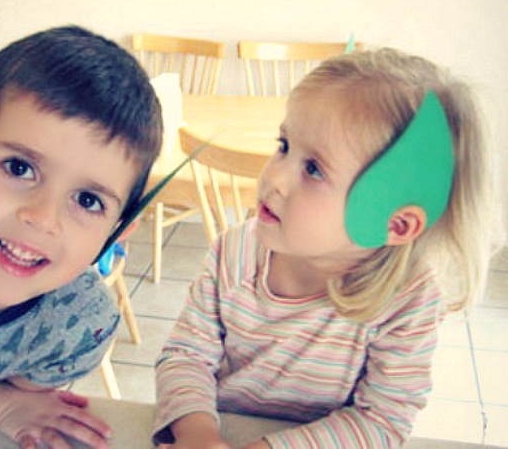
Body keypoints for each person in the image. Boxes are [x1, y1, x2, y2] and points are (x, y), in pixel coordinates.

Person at [153, 48, 500, 448]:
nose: (274, 178)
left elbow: (381, 421)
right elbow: (186, 356)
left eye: (314, 168)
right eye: (283, 146)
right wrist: (198, 433)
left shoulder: (409, 299)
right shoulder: (232, 254)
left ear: (395, 223)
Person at [0, 25, 162, 448]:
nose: (43, 219)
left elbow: (19, 413)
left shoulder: (79, 326)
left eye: (87, 199)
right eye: (19, 168)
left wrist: (4, 407)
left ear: (115, 233)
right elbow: (7, 406)